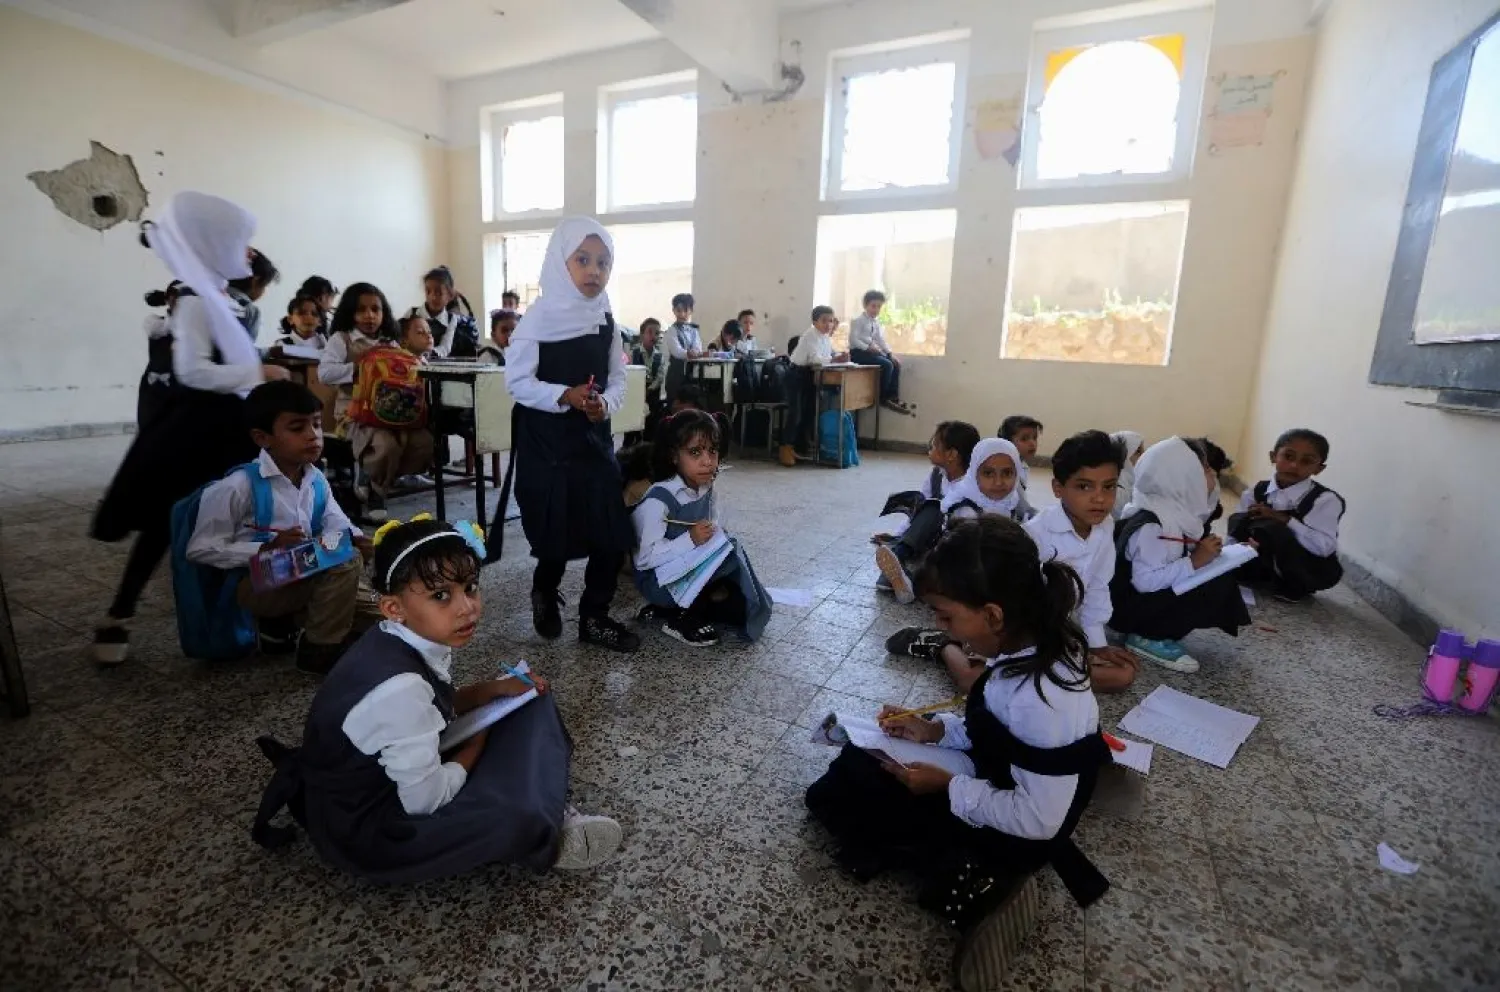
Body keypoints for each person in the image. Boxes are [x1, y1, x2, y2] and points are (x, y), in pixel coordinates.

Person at [806, 516, 1111, 963]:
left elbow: (1038, 820)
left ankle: (989, 886)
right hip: (1012, 777)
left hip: (1023, 830)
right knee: (861, 761)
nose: (944, 628)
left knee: (856, 788)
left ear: (993, 614)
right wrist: (933, 731)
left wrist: (947, 787)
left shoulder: (1040, 697)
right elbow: (995, 733)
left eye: (948, 617)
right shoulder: (1032, 646)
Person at [251, 516, 623, 881]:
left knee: (530, 695)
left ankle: (541, 800)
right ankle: (548, 827)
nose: (467, 607)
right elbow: (424, 801)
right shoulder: (399, 688)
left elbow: (435, 704)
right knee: (507, 807)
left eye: (471, 587)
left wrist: (494, 690)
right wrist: (479, 739)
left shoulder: (399, 637)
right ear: (393, 608)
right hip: (372, 828)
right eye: (441, 595)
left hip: (392, 774)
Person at [91, 192, 288, 665]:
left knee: (242, 518)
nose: (248, 254)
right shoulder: (197, 301)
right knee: (165, 522)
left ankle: (258, 614)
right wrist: (256, 374)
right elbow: (192, 372)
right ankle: (118, 614)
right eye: (242, 244)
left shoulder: (218, 296)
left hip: (226, 426)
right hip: (196, 432)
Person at [494, 217, 641, 653]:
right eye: (583, 260)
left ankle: (594, 616)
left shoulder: (607, 321)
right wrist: (565, 396)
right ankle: (545, 591)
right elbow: (517, 382)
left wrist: (604, 404)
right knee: (556, 531)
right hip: (547, 442)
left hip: (592, 438)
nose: (594, 270)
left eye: (603, 262)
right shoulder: (538, 320)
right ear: (562, 263)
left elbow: (619, 379)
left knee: (610, 532)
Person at [186, 381, 379, 674]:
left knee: (391, 616)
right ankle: (319, 649)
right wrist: (265, 547)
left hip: (302, 572)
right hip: (255, 581)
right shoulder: (238, 487)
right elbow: (199, 549)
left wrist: (358, 537)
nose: (313, 435)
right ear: (262, 438)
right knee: (343, 559)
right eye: (297, 427)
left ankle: (287, 626)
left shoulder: (315, 479)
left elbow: (336, 521)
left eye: (316, 424)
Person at [1109, 436, 1250, 673]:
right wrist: (1195, 561)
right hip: (1128, 610)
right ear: (1181, 475)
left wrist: (1204, 553)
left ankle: (1155, 627)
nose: (1213, 475)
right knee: (1213, 585)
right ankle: (1147, 636)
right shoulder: (1153, 525)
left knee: (1217, 574)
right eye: (1204, 468)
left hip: (1138, 601)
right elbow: (1145, 582)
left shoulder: (1168, 510)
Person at [630, 410, 771, 645]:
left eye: (712, 451)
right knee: (728, 555)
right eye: (695, 452)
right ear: (674, 456)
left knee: (737, 610)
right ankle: (679, 616)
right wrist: (691, 540)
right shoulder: (659, 499)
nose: (707, 461)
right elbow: (644, 559)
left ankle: (677, 608)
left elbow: (713, 523)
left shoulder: (704, 487)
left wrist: (713, 534)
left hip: (689, 569)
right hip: (659, 581)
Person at [1025, 431, 1138, 694]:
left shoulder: (1104, 525)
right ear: (1058, 488)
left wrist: (1096, 643)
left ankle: (1054, 668)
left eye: (1109, 486)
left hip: (1062, 630)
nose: (1100, 498)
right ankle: (948, 651)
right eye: (1084, 486)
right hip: (1027, 631)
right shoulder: (1036, 535)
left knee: (1124, 674)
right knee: (1116, 678)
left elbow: (1098, 585)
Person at [320, 283, 430, 522]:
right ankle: (376, 494)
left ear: (384, 313)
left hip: (389, 411)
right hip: (354, 413)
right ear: (350, 312)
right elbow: (324, 374)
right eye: (361, 310)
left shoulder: (389, 343)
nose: (369, 315)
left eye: (375, 309)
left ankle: (371, 475)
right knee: (385, 443)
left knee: (423, 441)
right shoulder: (342, 339)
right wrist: (359, 368)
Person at [877, 438, 1027, 605]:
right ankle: (905, 578)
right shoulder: (964, 505)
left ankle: (906, 580)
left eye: (1007, 473)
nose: (998, 482)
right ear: (974, 473)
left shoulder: (1013, 502)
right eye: (988, 473)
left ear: (1017, 473)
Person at [1227, 428, 1344, 602]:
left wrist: (1285, 519)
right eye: (1288, 457)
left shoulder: (1324, 500)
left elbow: (1324, 547)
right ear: (1273, 457)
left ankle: (1294, 585)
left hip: (1310, 567)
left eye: (1306, 461)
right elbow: (1235, 528)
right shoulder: (1258, 490)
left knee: (1273, 527)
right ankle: (1257, 573)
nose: (1294, 466)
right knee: (1242, 519)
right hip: (1265, 559)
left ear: (1318, 469)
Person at [874, 420, 980, 546]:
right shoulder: (936, 475)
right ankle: (902, 547)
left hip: (959, 544)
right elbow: (918, 514)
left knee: (933, 508)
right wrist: (897, 535)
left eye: (935, 445)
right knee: (924, 505)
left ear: (952, 454)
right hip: (934, 537)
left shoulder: (972, 487)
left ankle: (905, 550)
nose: (930, 449)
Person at [785, 306, 850, 457]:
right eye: (824, 321)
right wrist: (834, 359)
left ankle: (801, 447)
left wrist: (841, 356)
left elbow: (830, 354)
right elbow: (816, 358)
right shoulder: (810, 336)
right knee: (796, 413)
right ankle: (786, 448)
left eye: (831, 321)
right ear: (815, 322)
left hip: (810, 375)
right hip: (796, 374)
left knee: (810, 411)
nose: (828, 325)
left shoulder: (825, 337)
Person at [849, 290, 912, 415]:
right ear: (865, 305)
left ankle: (892, 396)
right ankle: (882, 397)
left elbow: (880, 340)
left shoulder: (876, 322)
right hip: (858, 353)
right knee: (887, 365)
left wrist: (890, 354)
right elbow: (853, 340)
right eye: (873, 306)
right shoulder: (858, 321)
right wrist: (867, 347)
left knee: (895, 363)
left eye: (879, 306)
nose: (876, 309)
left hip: (871, 352)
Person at [407, 266, 478, 359]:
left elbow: (445, 347)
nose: (432, 297)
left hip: (436, 364)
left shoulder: (452, 319)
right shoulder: (412, 313)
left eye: (439, 293)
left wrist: (428, 354)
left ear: (450, 295)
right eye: (428, 291)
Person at [137, 281, 181, 431]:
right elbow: (163, 330)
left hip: (180, 387)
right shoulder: (155, 322)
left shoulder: (196, 328)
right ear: (169, 299)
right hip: (154, 386)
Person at [997, 414, 1042, 519]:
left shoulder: (1022, 465)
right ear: (1007, 442)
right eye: (1024, 439)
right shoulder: (1007, 471)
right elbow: (1024, 510)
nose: (1032, 443)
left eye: (1034, 438)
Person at [663, 292, 702, 401]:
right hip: (676, 376)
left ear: (691, 311)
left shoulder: (694, 331)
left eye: (686, 311)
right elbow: (676, 351)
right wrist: (689, 353)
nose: (682, 314)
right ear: (673, 310)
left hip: (692, 376)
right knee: (675, 405)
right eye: (679, 310)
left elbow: (698, 348)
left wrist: (696, 352)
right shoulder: (672, 331)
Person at [1110, 431, 1144, 520]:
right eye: (1138, 452)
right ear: (1125, 456)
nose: (1143, 456)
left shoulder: (1133, 483)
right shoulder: (1117, 492)